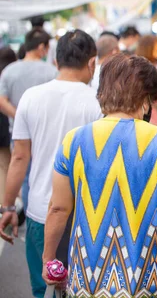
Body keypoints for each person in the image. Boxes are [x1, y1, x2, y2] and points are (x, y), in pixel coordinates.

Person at [41, 54, 157, 298]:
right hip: (147, 279)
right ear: (145, 100)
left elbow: (58, 208)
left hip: (87, 278)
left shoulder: (74, 140)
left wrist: (49, 258)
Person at [0, 30, 103, 298]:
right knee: (85, 290)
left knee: (43, 289)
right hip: (87, 216)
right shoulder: (98, 102)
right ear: (92, 63)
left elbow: (20, 157)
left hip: (39, 212)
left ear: (56, 61)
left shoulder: (30, 98)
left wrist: (9, 206)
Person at [0, 28, 57, 213]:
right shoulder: (51, 72)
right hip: (47, 133)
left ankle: (27, 211)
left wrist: (20, 116)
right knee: (45, 175)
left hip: (18, 133)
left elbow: (2, 101)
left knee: (24, 175)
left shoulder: (9, 71)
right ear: (42, 47)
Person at [0, 47, 16, 201]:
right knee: (8, 164)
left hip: (4, 128)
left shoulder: (6, 76)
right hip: (7, 128)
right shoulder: (9, 75)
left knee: (4, 165)